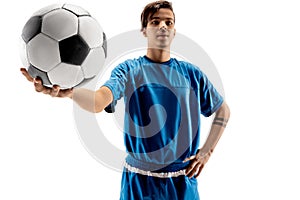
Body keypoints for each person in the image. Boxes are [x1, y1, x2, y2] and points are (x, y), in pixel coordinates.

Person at [21, 1, 230, 199]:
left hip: (181, 183)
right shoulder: (130, 71)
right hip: (138, 183)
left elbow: (223, 110)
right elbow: (98, 101)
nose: (163, 26)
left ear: (174, 31)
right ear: (144, 30)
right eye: (155, 22)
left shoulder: (192, 74)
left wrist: (206, 152)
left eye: (169, 22)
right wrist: (70, 93)